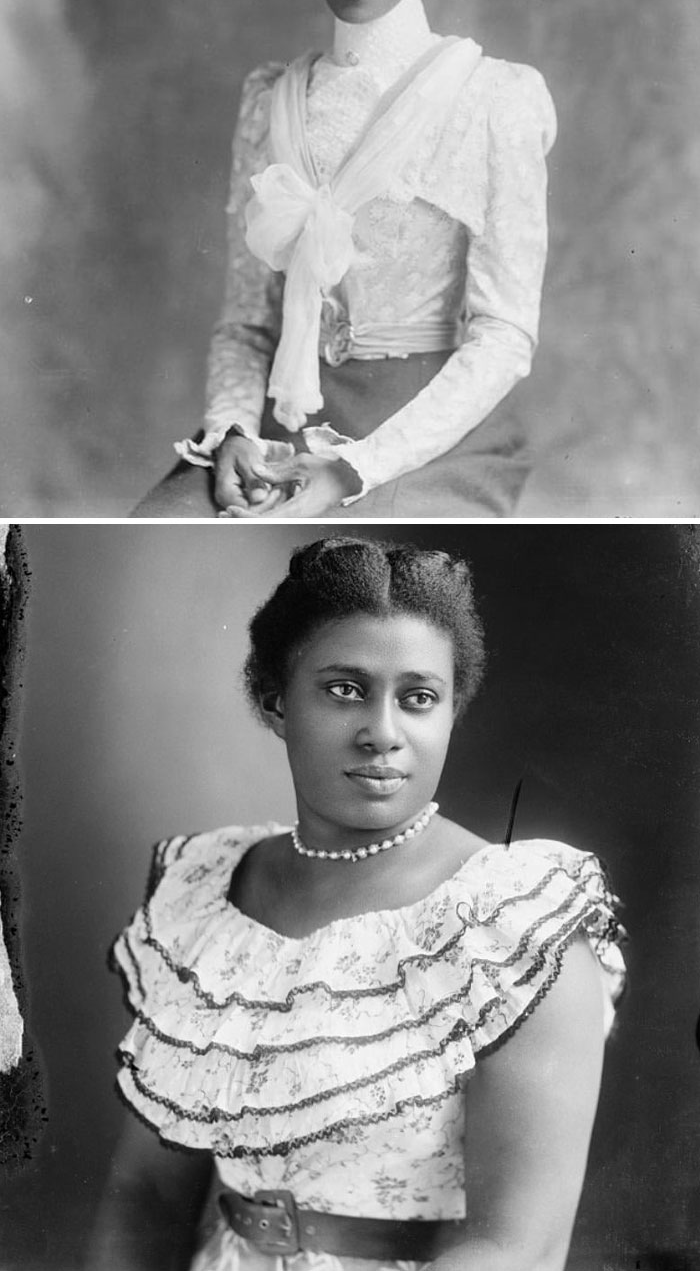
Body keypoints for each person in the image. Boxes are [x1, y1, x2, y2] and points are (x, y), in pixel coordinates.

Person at [91, 537, 626, 1271]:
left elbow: (516, 1247)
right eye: (345, 689)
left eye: (418, 698)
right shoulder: (204, 894)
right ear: (277, 702)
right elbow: (145, 1195)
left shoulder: (515, 924)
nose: (383, 732)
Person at [132, 0, 557, 520]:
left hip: (431, 434)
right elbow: (246, 324)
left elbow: (505, 335)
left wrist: (352, 470)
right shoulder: (271, 99)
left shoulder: (493, 97)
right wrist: (234, 430)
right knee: (163, 527)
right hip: (284, 423)